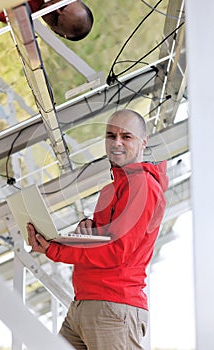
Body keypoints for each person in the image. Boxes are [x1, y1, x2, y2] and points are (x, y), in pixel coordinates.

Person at [27, 109, 168, 350]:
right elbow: (103, 243)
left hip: (112, 307)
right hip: (85, 303)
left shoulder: (142, 185)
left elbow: (116, 252)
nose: (117, 143)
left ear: (144, 142)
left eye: (127, 136)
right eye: (110, 135)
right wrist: (87, 233)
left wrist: (55, 249)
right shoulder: (110, 190)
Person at [0, 0, 94, 41]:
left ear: (54, 30)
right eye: (62, 6)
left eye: (55, 19)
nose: (54, 9)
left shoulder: (18, 12)